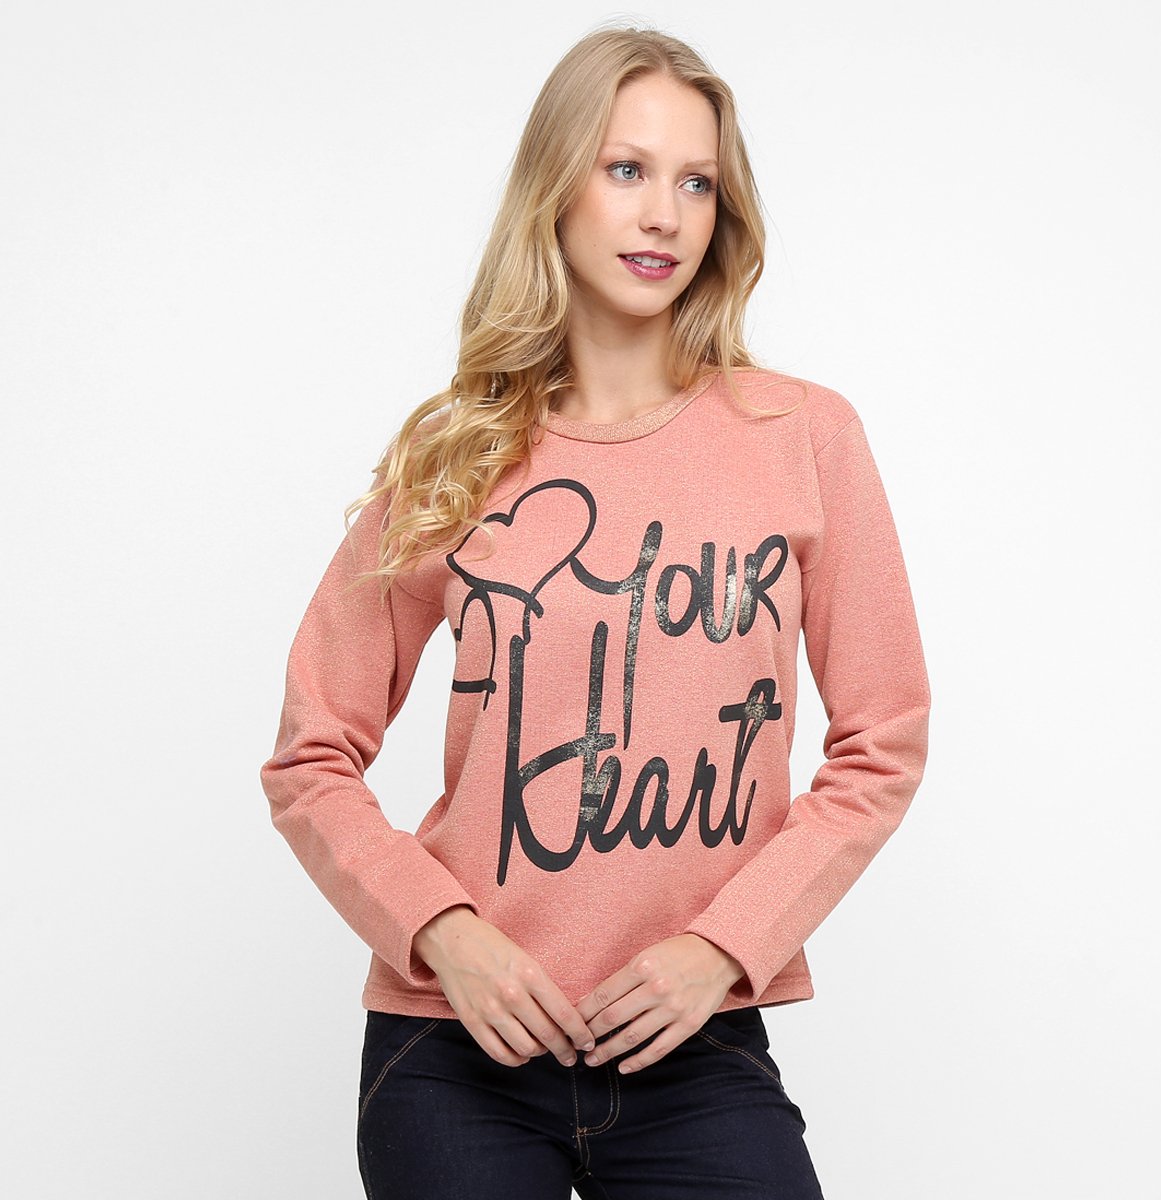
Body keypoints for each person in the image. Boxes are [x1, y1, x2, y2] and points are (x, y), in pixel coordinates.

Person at [261, 23, 930, 1200]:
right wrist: (443, 934)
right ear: (555, 188)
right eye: (626, 170)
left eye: (696, 182)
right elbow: (312, 756)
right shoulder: (454, 455)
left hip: (698, 1045)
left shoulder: (804, 436)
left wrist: (724, 946)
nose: (664, 214)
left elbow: (883, 743)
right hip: (456, 1052)